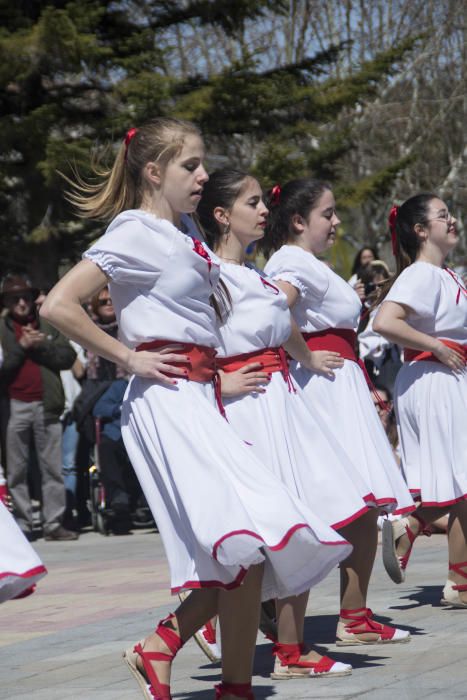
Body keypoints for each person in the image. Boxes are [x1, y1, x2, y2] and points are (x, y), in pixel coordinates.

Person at [40, 117, 352, 700]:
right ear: (154, 172)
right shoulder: (134, 230)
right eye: (191, 165)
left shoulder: (183, 233)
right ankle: (169, 649)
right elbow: (60, 304)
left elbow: (208, 324)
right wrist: (129, 358)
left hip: (200, 396)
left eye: (203, 164)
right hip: (165, 404)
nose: (203, 175)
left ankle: (216, 678)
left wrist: (221, 378)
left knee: (254, 544)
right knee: (241, 542)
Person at [197, 168, 358, 680]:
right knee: (265, 530)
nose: (264, 210)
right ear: (222, 215)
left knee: (303, 520)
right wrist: (215, 386)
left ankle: (291, 646)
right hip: (246, 412)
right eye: (252, 203)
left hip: (280, 404)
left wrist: (307, 359)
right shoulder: (205, 275)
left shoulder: (253, 273)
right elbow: (176, 343)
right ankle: (188, 629)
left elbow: (281, 323)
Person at [262, 178, 415, 646]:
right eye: (327, 214)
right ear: (297, 220)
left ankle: (354, 614)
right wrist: (305, 356)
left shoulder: (309, 263)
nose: (336, 222)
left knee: (362, 508)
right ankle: (258, 612)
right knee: (330, 505)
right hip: (320, 391)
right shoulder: (289, 261)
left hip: (340, 384)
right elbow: (271, 308)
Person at [373, 195, 467, 606]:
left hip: (447, 378)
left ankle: (458, 579)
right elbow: (384, 321)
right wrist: (437, 347)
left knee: (462, 482)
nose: (453, 221)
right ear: (421, 230)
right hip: (434, 379)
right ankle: (410, 526)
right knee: (459, 478)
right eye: (442, 216)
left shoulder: (445, 275)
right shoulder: (422, 274)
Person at [0, 274, 78, 542]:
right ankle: (23, 524)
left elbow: (68, 357)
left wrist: (41, 345)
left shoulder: (47, 324)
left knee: (52, 468)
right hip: (14, 406)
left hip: (47, 404)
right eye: (14, 298)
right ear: (6, 302)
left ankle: (54, 523)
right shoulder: (2, 330)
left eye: (26, 297)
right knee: (17, 469)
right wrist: (21, 348)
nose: (21, 302)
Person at [358, 260, 402, 393]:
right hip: (365, 367)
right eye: (372, 286)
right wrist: (357, 300)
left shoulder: (395, 307)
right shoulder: (358, 309)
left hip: (389, 365)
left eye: (382, 285)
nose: (377, 290)